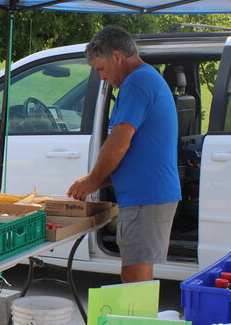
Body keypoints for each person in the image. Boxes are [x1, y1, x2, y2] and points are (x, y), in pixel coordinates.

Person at [67, 25, 180, 283]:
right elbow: (138, 153)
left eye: (101, 69)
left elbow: (119, 143)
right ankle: (139, 321)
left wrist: (92, 181)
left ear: (117, 57)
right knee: (138, 273)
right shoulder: (144, 79)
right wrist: (99, 179)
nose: (103, 78)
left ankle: (136, 324)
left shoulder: (137, 82)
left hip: (146, 197)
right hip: (149, 195)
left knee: (134, 278)